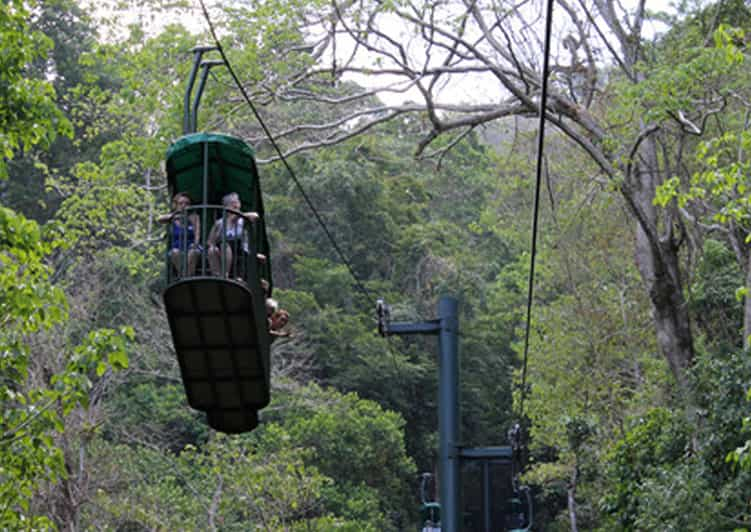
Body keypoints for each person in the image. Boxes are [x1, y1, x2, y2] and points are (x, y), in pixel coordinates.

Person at [207, 192, 259, 279]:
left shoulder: (243, 220)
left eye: (237, 203)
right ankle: (217, 275)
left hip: (240, 250)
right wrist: (214, 246)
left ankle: (225, 275)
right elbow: (210, 241)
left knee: (225, 245)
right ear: (226, 207)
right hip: (222, 252)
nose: (235, 205)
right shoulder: (219, 223)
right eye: (232, 204)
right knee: (212, 250)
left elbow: (256, 216)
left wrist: (238, 216)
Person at [158, 192, 201, 277]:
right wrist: (175, 216)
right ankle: (184, 276)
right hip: (177, 247)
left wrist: (195, 244)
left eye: (187, 203)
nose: (184, 205)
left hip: (191, 246)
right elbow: (160, 219)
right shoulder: (173, 218)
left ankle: (186, 276)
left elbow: (197, 234)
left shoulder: (194, 217)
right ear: (176, 205)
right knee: (174, 252)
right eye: (181, 203)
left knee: (193, 251)